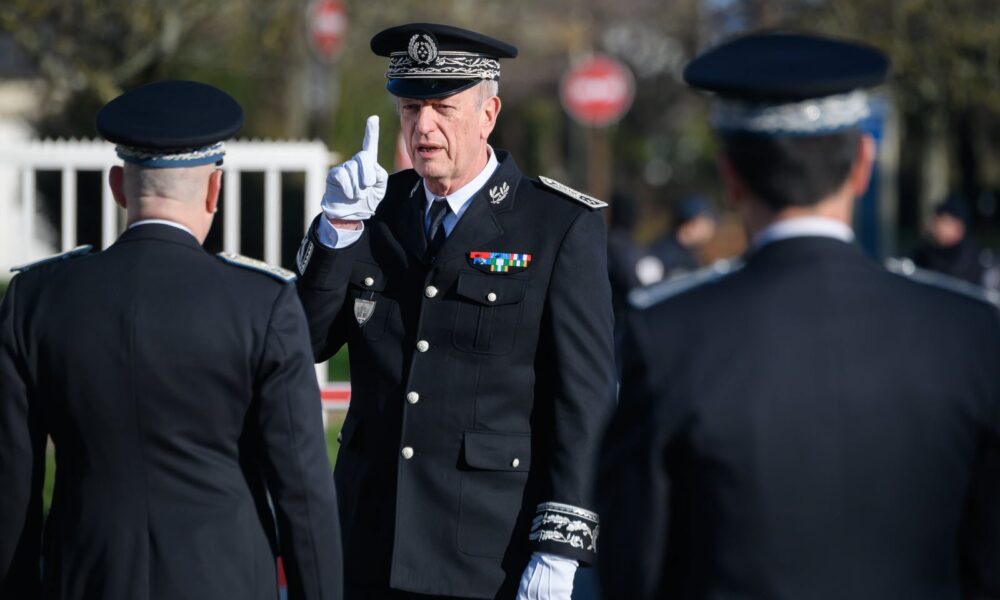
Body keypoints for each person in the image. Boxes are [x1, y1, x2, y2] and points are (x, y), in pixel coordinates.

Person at [597, 32, 1000, 600]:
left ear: (730, 176)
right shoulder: (969, 331)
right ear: (863, 163)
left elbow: (634, 567)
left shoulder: (666, 334)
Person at [294, 23, 614, 600]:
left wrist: (559, 547)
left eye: (443, 107)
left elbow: (583, 399)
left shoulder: (556, 225)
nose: (424, 127)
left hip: (486, 552)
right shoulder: (374, 210)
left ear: (488, 113)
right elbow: (304, 343)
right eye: (411, 107)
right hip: (367, 539)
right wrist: (337, 230)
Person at [0, 81, 343, 600]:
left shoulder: (36, 298)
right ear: (214, 190)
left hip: (85, 580)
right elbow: (303, 493)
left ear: (118, 185)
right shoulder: (262, 303)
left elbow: (10, 490)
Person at [636, 196, 718, 286]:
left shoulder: (689, 254)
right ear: (692, 223)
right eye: (706, 222)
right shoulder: (661, 253)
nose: (711, 227)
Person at [910, 192, 988, 286]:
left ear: (960, 228)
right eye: (937, 220)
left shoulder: (975, 263)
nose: (937, 226)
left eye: (944, 222)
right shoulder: (923, 255)